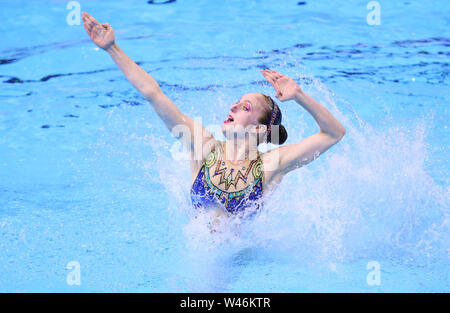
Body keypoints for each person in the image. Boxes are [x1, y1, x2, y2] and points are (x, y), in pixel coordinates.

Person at [82, 12, 346, 225]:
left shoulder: (270, 165)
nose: (232, 106)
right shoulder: (203, 146)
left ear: (258, 130)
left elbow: (334, 133)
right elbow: (154, 94)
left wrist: (299, 95)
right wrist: (112, 48)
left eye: (244, 107)